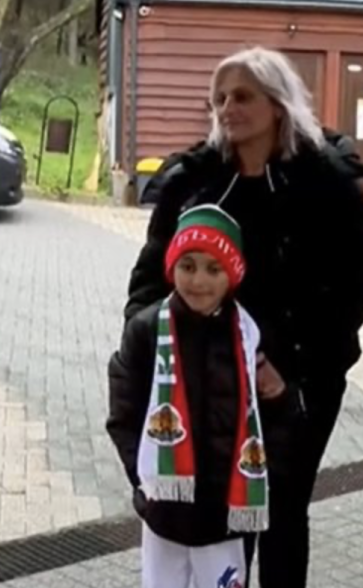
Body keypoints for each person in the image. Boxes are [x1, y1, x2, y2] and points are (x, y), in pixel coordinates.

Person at [123, 47, 363, 588]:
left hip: (299, 382)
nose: (227, 108)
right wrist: (147, 345)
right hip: (208, 374)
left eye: (242, 96)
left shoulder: (327, 184)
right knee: (223, 514)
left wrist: (292, 368)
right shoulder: (194, 182)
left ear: (278, 104)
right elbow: (151, 276)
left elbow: (355, 285)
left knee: (284, 510)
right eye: (219, 98)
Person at [108, 204, 278, 588]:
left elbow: (270, 417)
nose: (198, 281)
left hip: (224, 515)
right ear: (172, 268)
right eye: (187, 266)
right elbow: (123, 413)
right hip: (164, 512)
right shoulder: (146, 331)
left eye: (213, 269)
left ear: (232, 274)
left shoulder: (249, 336)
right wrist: (143, 478)